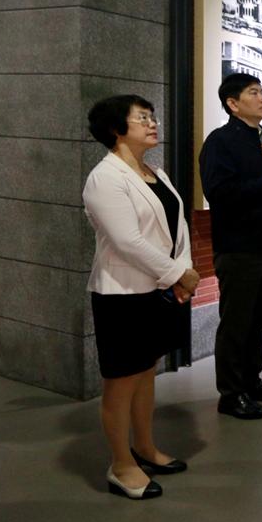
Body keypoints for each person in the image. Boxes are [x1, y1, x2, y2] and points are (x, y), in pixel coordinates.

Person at [83, 95, 200, 500]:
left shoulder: (155, 172)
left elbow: (178, 226)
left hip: (156, 288)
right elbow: (127, 241)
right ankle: (121, 465)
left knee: (147, 370)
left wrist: (181, 272)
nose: (153, 124)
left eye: (152, 117)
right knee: (121, 381)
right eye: (142, 118)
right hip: (122, 293)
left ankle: (145, 447)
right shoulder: (105, 177)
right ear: (116, 129)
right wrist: (178, 274)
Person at [199, 73, 262, 420]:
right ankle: (230, 394)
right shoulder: (221, 141)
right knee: (236, 322)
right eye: (253, 93)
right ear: (233, 103)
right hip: (238, 246)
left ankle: (251, 381)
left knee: (258, 319)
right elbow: (217, 192)